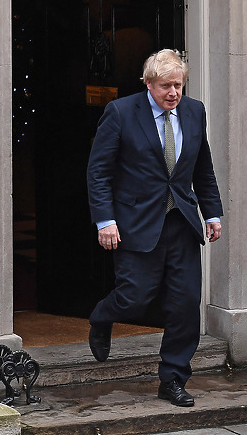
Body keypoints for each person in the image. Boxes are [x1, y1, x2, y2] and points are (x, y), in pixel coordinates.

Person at [86, 49, 223, 407]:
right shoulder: (120, 113)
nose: (173, 93)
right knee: (135, 296)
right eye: (166, 86)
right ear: (149, 84)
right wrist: (105, 220)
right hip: (135, 222)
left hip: (181, 221)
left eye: (178, 85)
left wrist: (212, 213)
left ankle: (173, 378)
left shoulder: (194, 112)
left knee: (185, 304)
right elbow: (98, 172)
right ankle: (102, 316)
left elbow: (202, 166)